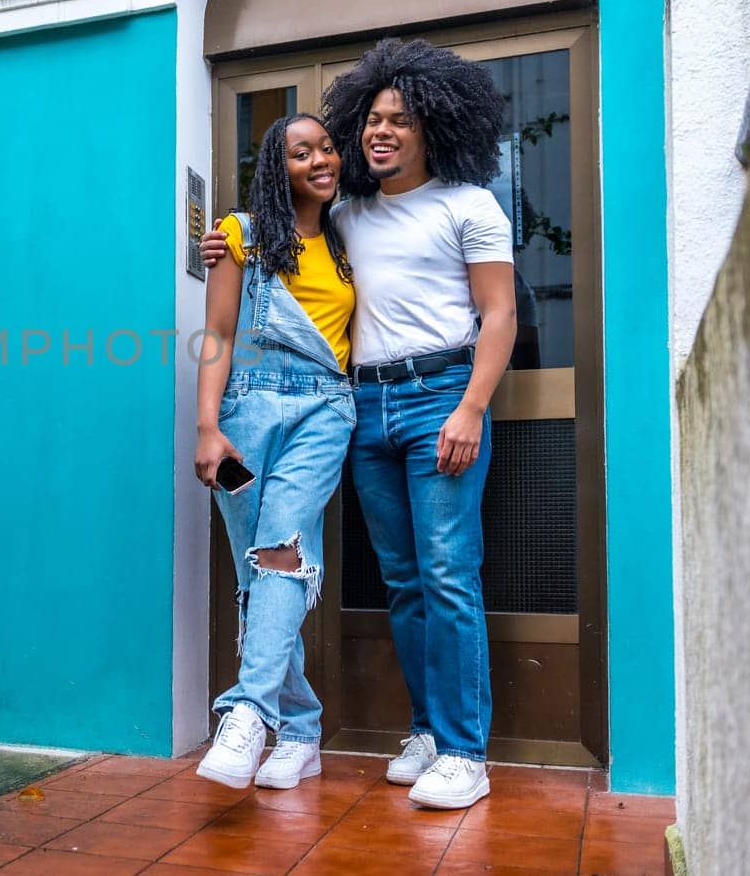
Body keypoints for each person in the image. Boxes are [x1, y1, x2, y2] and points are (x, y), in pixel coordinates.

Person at [200, 39, 517, 810]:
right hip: (351, 408)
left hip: (435, 394)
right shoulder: (341, 215)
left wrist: (471, 405)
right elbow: (272, 233)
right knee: (396, 578)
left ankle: (465, 750)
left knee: (442, 571)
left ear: (431, 127)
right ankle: (416, 732)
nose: (379, 132)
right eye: (371, 119)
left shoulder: (469, 204)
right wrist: (222, 241)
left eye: (399, 120)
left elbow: (500, 312)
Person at [193, 113, 356, 790]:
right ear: (275, 166)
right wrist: (207, 425)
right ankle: (300, 727)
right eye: (300, 152)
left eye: (325, 147)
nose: (319, 159)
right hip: (244, 413)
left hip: (325, 408)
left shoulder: (352, 238)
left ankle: (248, 712)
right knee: (256, 572)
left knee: (284, 547)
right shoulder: (241, 233)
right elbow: (218, 335)